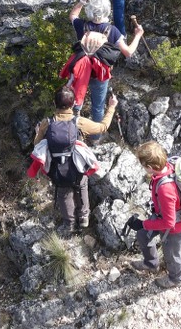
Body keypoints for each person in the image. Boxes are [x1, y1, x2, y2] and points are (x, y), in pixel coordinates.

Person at [32, 85, 119, 233]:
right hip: (77, 167)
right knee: (82, 186)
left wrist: (37, 132)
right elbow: (102, 127)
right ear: (73, 104)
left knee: (63, 193)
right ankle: (84, 218)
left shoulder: (47, 123)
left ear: (55, 104)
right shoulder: (78, 122)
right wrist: (111, 107)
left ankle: (69, 224)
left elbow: (37, 145)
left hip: (57, 169)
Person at [60, 0, 143, 127]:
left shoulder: (82, 26)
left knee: (73, 101)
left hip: (80, 71)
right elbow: (128, 52)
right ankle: (95, 137)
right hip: (100, 74)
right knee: (98, 106)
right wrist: (138, 35)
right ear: (107, 10)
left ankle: (71, 130)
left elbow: (73, 15)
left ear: (90, 9)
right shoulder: (113, 31)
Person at [125, 141, 181, 289]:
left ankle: (175, 279)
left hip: (175, 228)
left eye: (143, 165)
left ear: (150, 167)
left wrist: (143, 223)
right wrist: (144, 226)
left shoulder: (166, 189)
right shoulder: (168, 167)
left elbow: (169, 223)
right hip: (162, 217)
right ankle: (151, 263)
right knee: (142, 234)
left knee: (171, 254)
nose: (143, 168)